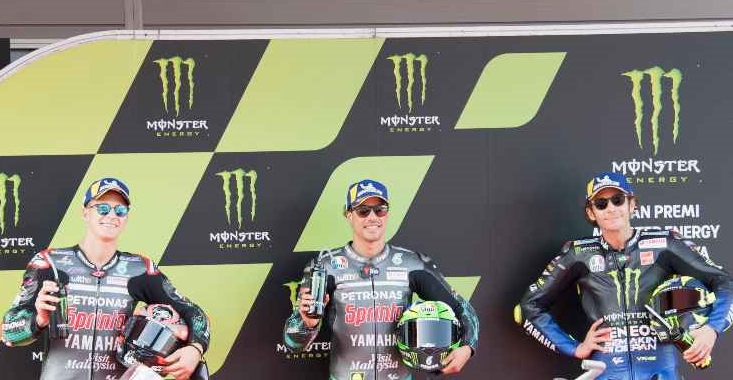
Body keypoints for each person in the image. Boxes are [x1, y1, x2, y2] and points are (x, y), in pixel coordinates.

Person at [516, 172, 733, 379]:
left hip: (661, 373)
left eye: (618, 200)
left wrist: (711, 329)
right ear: (591, 213)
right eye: (601, 204)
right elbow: (527, 308)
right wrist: (574, 348)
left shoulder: (664, 244)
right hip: (606, 373)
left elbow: (726, 282)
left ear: (632, 204)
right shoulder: (578, 254)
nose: (610, 208)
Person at [0, 178, 210, 380]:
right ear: (85, 213)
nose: (111, 215)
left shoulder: (140, 269)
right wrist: (38, 320)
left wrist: (195, 348)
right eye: (102, 208)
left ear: (126, 217)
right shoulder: (49, 263)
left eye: (120, 210)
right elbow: (7, 332)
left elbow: (194, 313)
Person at [283, 179, 479, 380]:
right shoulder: (325, 266)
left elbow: (463, 309)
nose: (372, 217)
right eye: (363, 210)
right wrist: (307, 323)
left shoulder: (413, 263)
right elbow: (292, 342)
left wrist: (467, 347)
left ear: (387, 214)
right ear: (349, 215)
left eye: (380, 210)